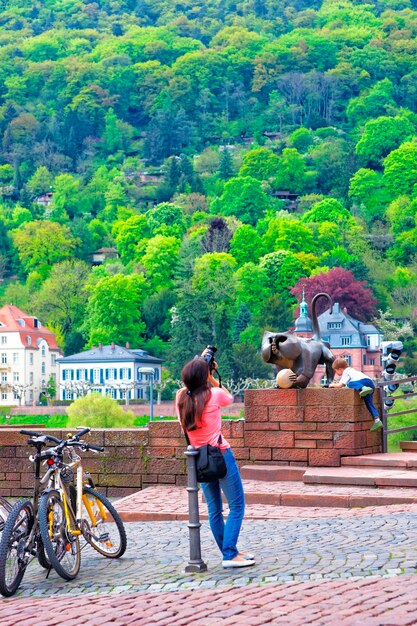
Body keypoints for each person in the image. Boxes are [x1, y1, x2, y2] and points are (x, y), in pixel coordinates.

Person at [175, 354, 255, 568]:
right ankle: (229, 554)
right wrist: (211, 376)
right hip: (220, 455)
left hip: (197, 458)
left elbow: (188, 388)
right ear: (206, 375)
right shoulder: (215, 394)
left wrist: (200, 368)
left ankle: (230, 551)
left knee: (214, 509)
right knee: (237, 505)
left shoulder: (180, 397)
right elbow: (229, 397)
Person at [329, 357, 382, 431]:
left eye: (336, 371)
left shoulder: (346, 372)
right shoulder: (353, 370)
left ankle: (363, 388)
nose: (336, 373)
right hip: (370, 383)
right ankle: (377, 420)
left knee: (349, 384)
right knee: (369, 403)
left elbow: (340, 385)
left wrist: (331, 385)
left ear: (340, 369)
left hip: (363, 383)